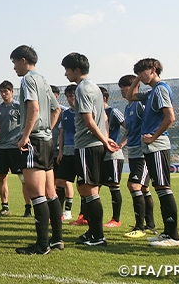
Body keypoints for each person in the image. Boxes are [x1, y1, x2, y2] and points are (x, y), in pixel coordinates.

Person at [62, 52, 118, 247]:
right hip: (92, 143)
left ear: (77, 70)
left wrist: (104, 140)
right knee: (85, 187)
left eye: (67, 70)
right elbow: (102, 118)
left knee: (89, 189)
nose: (65, 74)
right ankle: (93, 232)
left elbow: (89, 120)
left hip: (88, 144)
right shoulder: (94, 87)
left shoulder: (83, 89)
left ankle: (97, 235)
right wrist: (106, 138)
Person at [11, 45, 62, 255]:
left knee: (36, 194)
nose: (14, 67)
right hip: (47, 141)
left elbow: (34, 108)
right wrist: (48, 129)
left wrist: (25, 136)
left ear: (23, 60)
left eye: (14, 62)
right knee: (51, 193)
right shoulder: (43, 79)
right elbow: (56, 108)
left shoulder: (28, 79)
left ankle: (42, 245)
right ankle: (57, 240)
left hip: (34, 141)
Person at [127, 58, 179, 247]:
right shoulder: (151, 92)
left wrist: (154, 137)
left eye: (142, 72)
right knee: (159, 188)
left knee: (163, 188)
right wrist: (137, 79)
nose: (139, 76)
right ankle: (167, 233)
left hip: (157, 145)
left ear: (153, 69)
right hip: (151, 147)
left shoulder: (160, 89)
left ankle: (173, 236)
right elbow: (130, 96)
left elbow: (170, 117)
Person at [118, 74, 156, 238]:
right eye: (121, 89)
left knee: (133, 185)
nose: (123, 92)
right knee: (144, 188)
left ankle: (140, 227)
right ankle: (150, 226)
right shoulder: (128, 108)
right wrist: (121, 143)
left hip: (142, 152)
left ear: (135, 87)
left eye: (125, 88)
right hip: (132, 152)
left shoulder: (140, 104)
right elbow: (129, 130)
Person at [0, 80, 29, 217]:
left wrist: (21, 140)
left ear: (11, 92)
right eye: (2, 91)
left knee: (23, 178)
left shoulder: (19, 107)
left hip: (15, 147)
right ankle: (5, 207)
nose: (4, 94)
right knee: (2, 177)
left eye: (6, 91)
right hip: (1, 147)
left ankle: (27, 208)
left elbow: (26, 124)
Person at [100, 86, 126, 228]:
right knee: (93, 186)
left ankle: (116, 219)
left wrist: (121, 144)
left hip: (112, 155)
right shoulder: (95, 113)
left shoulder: (113, 112)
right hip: (99, 155)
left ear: (103, 98)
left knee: (113, 186)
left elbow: (130, 127)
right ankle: (86, 217)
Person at [54, 85, 77, 221]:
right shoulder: (66, 113)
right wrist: (61, 151)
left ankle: (72, 212)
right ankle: (59, 213)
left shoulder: (84, 112)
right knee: (60, 181)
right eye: (68, 96)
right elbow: (62, 133)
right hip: (66, 152)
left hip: (80, 152)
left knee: (80, 185)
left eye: (72, 96)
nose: (69, 99)